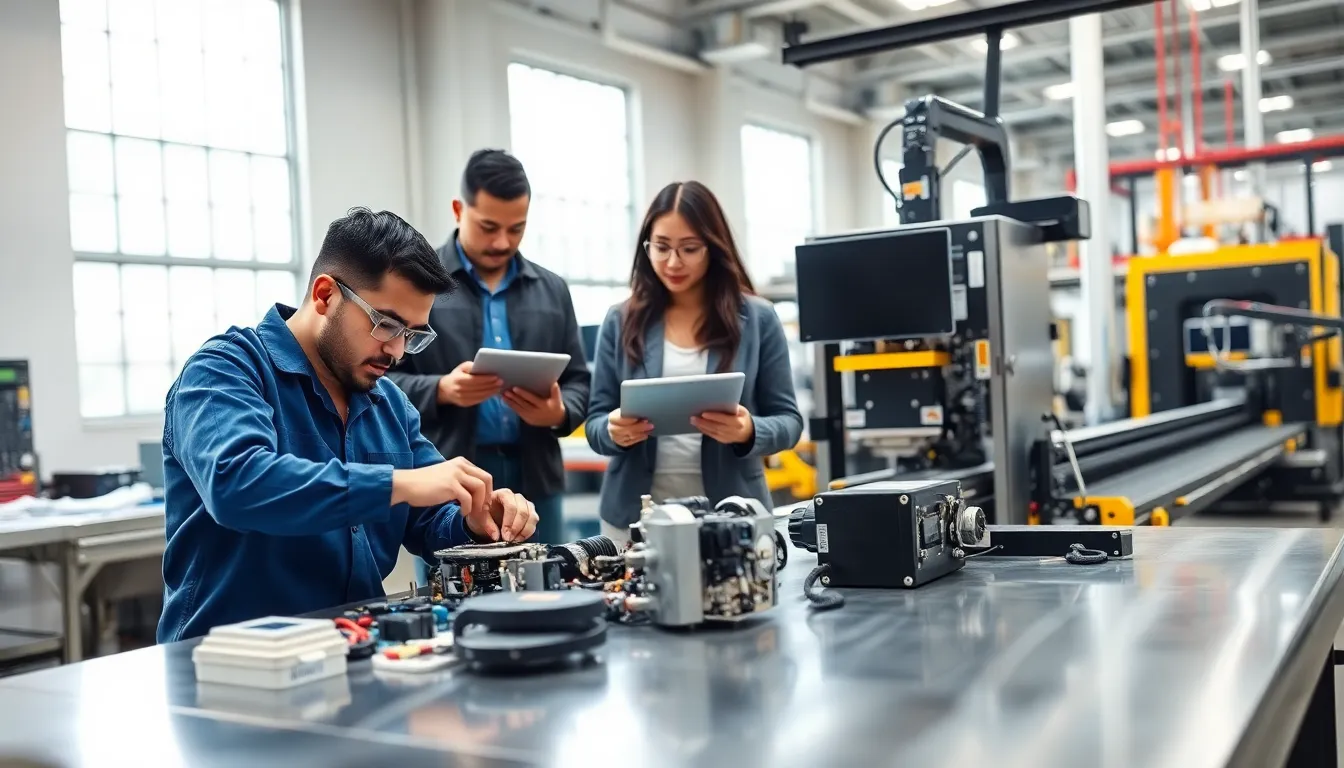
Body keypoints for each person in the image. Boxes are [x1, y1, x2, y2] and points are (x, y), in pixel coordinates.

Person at [158, 208, 538, 643]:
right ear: (325, 295)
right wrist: (400, 483)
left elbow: (431, 519)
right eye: (385, 324)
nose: (397, 352)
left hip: (351, 652)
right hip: (225, 666)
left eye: (412, 334)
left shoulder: (389, 403)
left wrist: (476, 520)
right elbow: (237, 484)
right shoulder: (225, 371)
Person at [388, 149, 589, 551]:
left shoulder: (553, 289)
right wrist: (441, 389)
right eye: (489, 226)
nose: (502, 242)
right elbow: (380, 380)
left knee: (549, 593)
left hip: (537, 476)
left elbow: (580, 383)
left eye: (517, 228)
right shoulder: (420, 285)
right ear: (458, 209)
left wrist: (559, 412)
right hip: (450, 473)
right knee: (454, 598)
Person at [584, 181, 803, 544]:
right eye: (661, 247)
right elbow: (595, 422)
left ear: (713, 249)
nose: (673, 262)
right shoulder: (620, 319)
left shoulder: (758, 319)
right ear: (646, 247)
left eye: (689, 249)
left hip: (732, 511)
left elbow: (790, 422)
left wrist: (749, 431)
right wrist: (612, 430)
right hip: (635, 516)